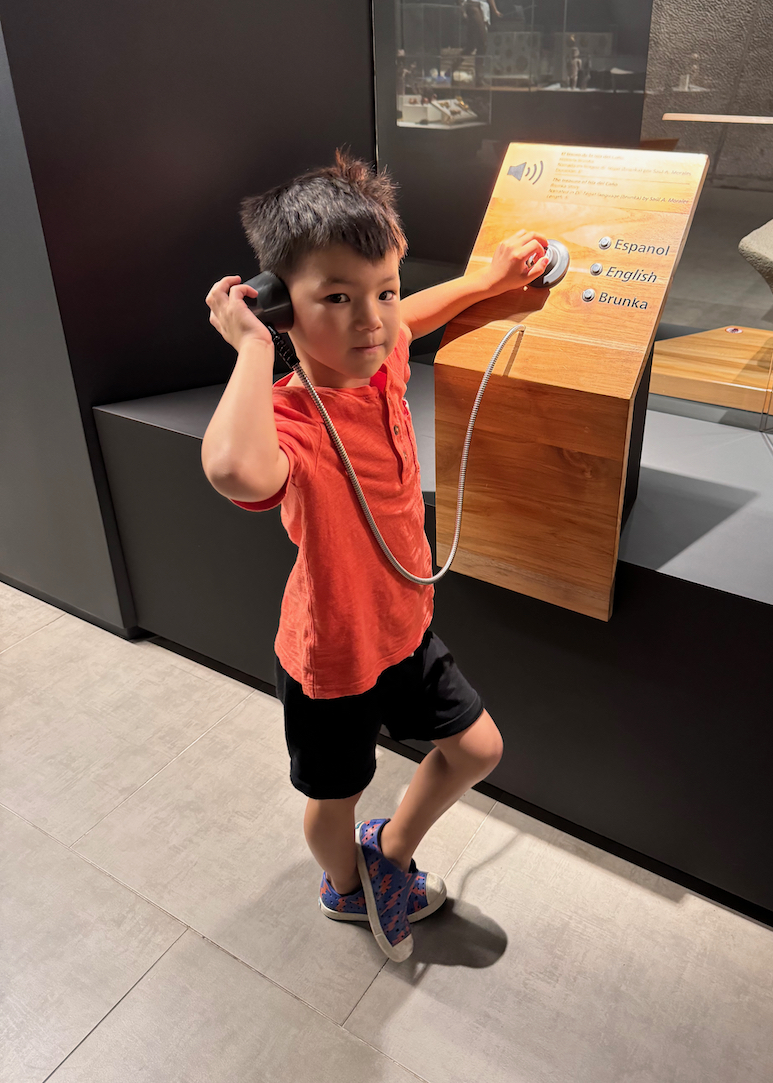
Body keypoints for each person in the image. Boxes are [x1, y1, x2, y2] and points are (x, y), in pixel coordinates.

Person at [201, 151, 548, 962]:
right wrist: (252, 349)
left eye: (381, 290)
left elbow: (413, 316)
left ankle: (388, 853)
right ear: (279, 305)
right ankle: (344, 886)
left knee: (478, 749)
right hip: (334, 656)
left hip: (403, 625)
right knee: (335, 797)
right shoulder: (293, 420)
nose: (372, 322)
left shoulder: (381, 357)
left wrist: (488, 281)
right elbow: (233, 469)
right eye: (337, 298)